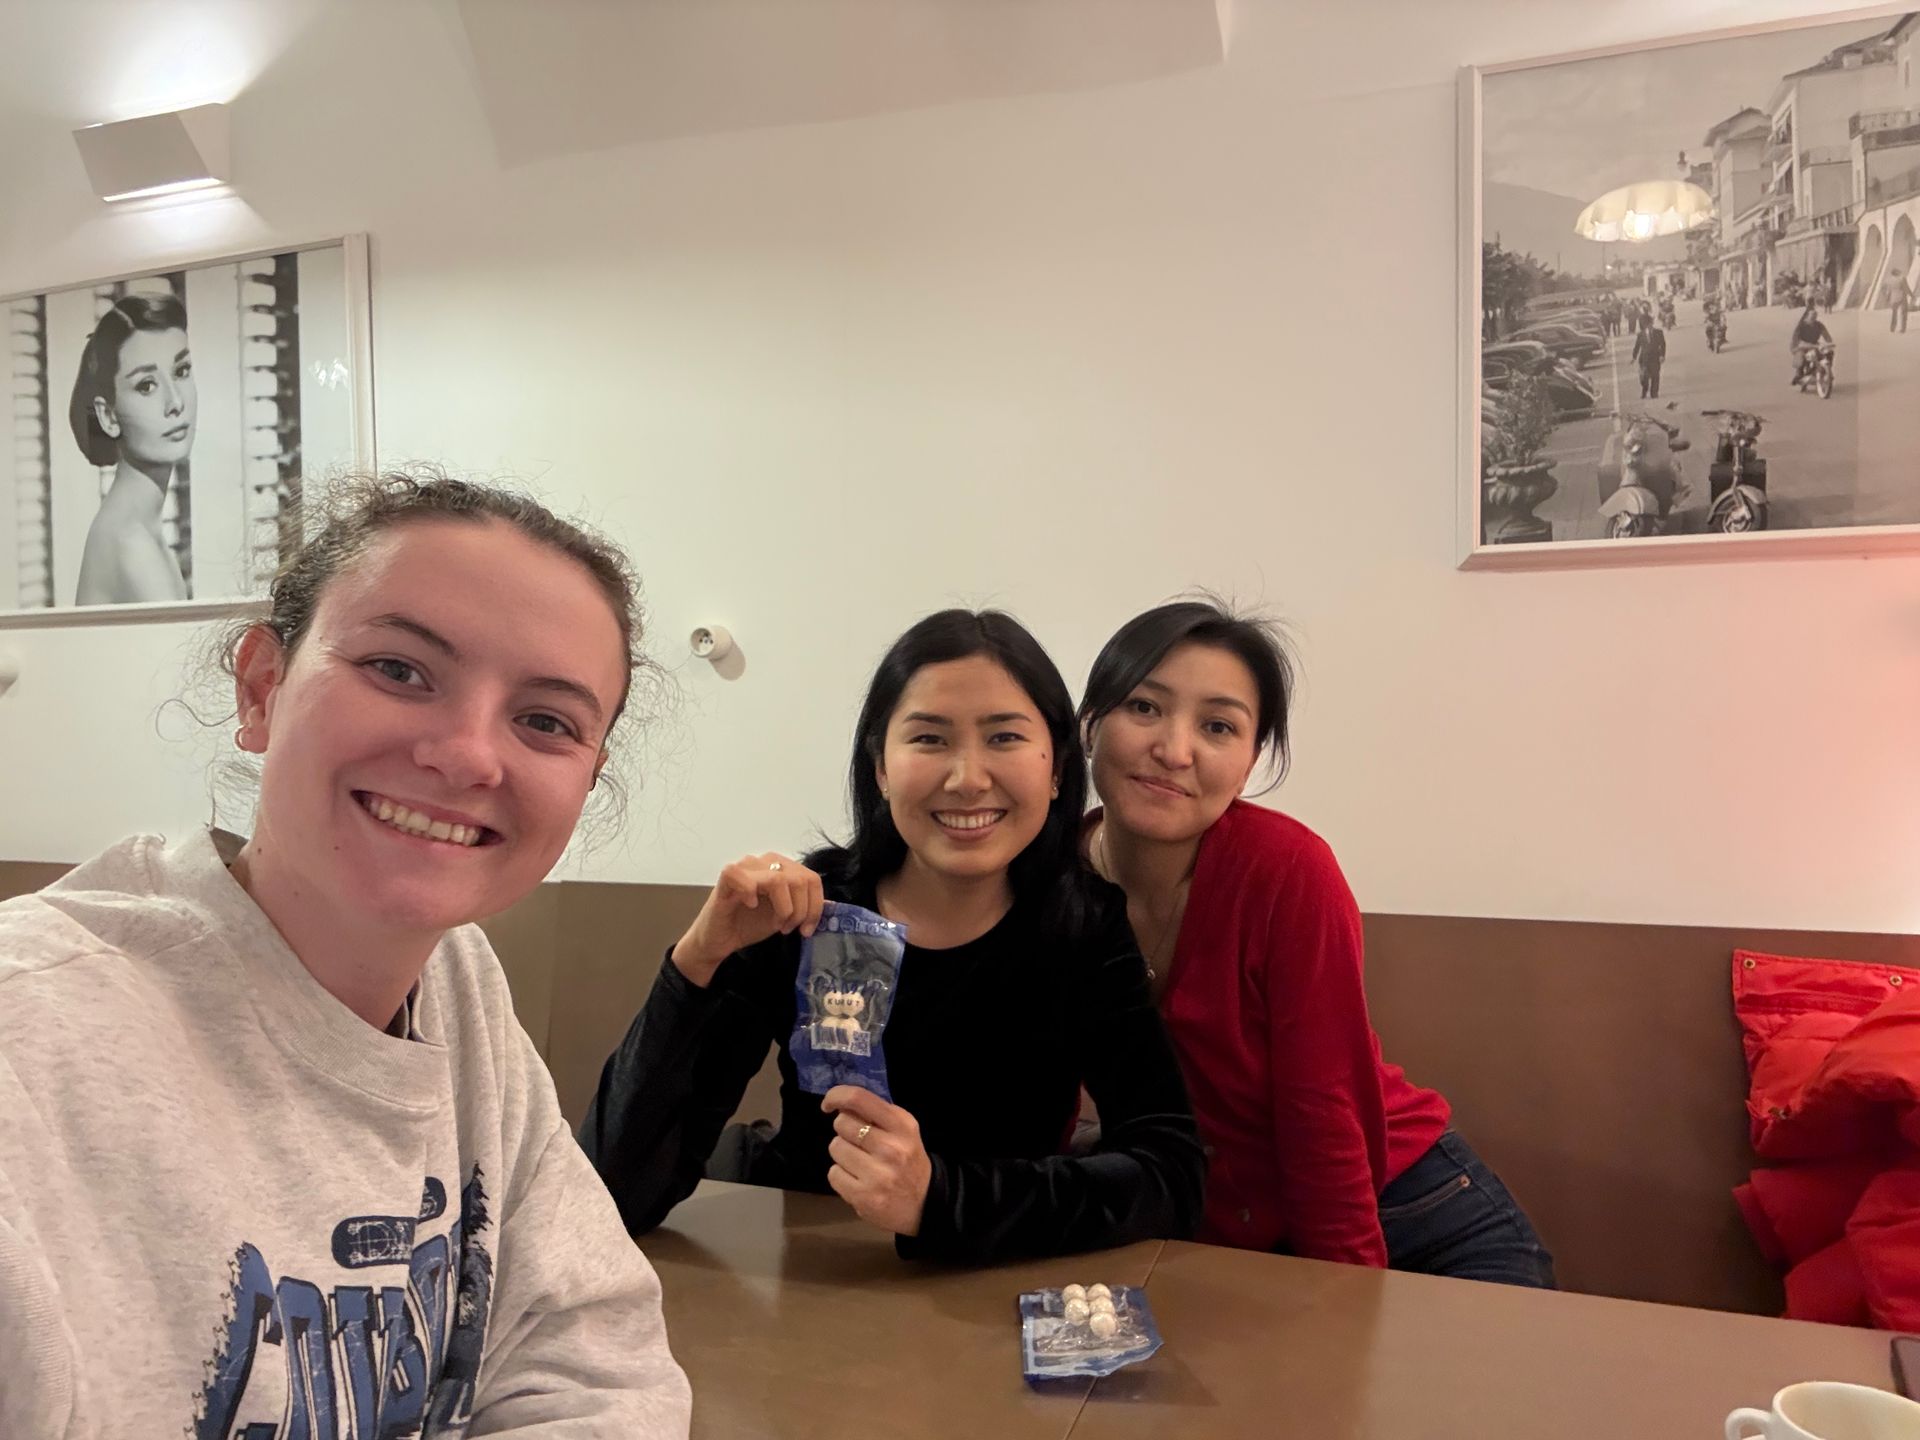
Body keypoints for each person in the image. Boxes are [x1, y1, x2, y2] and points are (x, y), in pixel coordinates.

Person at [0, 473, 692, 1436]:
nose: (468, 755)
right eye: (399, 669)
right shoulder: (31, 1041)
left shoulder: (457, 985)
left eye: (546, 721)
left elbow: (597, 1364)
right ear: (262, 688)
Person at [581, 609, 1205, 1264]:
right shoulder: (809, 912)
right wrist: (698, 960)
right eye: (930, 739)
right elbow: (611, 1195)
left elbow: (1172, 1173)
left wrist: (941, 1198)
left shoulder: (1082, 928)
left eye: (1004, 737)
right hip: (805, 1277)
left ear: (1055, 768)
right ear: (880, 766)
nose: (968, 778)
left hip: (995, 1283)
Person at [1077, 599, 1555, 1288]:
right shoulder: (1052, 881)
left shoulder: (1286, 872)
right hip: (1228, 1231)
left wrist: (1344, 1302)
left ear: (1249, 763)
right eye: (1145, 707)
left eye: (1218, 726)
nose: (1175, 750)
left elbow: (1322, 1113)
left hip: (1409, 1206)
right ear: (1090, 724)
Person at [68, 292, 197, 607]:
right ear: (108, 416)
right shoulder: (130, 544)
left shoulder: (134, 525)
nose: (175, 402)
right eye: (146, 385)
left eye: (181, 371)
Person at [1790, 304, 1833, 385]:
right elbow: (1799, 342)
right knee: (1801, 356)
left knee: (1829, 352)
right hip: (1799, 346)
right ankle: (1799, 374)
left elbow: (1827, 336)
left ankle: (1828, 371)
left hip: (1814, 344)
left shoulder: (1819, 325)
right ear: (1807, 315)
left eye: (1815, 314)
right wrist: (1815, 346)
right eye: (1812, 314)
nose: (1814, 316)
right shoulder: (1800, 326)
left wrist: (1829, 343)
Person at [1631, 320, 1666, 399]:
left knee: (1655, 376)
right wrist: (1634, 357)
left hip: (1655, 358)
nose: (1649, 326)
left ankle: (1654, 393)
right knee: (1644, 377)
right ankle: (1644, 391)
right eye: (1647, 325)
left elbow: (1663, 344)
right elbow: (1637, 346)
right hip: (1644, 359)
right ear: (1645, 326)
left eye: (1650, 324)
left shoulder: (1659, 332)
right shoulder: (1640, 334)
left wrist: (1662, 355)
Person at [1890, 270, 1913, 335]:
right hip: (1902, 298)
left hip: (1893, 298)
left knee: (1894, 314)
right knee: (1903, 313)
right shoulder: (1902, 279)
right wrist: (1912, 295)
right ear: (1897, 273)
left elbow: (1888, 290)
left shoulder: (1891, 280)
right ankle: (1902, 329)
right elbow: (1906, 288)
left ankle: (1892, 328)